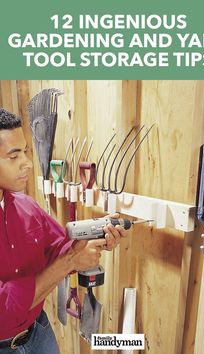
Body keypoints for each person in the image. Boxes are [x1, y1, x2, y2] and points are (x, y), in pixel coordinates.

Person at [0, 108, 127, 353]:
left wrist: (96, 238)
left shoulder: (26, 205)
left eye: (25, 152)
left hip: (39, 332)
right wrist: (72, 260)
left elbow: (61, 247)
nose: (27, 163)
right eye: (14, 156)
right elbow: (4, 308)